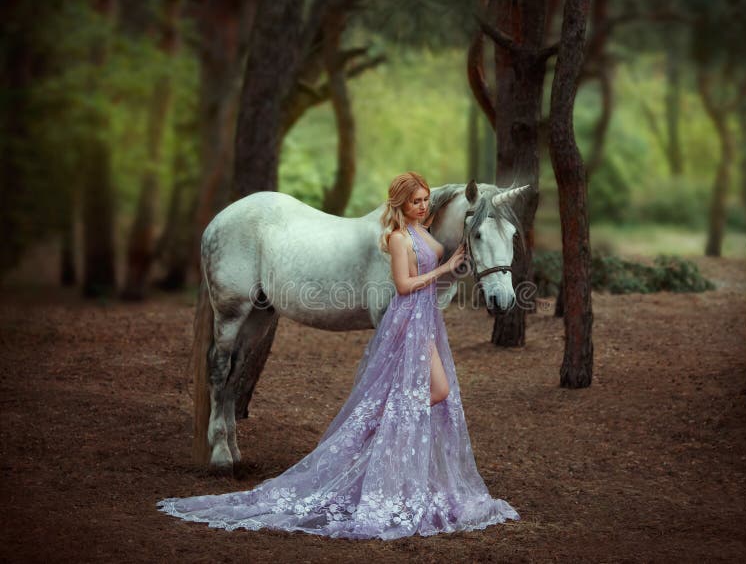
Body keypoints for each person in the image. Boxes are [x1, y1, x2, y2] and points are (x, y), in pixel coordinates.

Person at [157, 171, 520, 540]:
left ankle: (385, 454)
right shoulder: (393, 239)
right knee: (227, 346)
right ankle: (220, 431)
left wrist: (463, 265)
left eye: (426, 201)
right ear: (402, 205)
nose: (423, 207)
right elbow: (406, 284)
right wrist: (445, 267)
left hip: (419, 325)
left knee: (432, 392)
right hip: (409, 322)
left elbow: (451, 253)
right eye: (416, 202)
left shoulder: (423, 235)